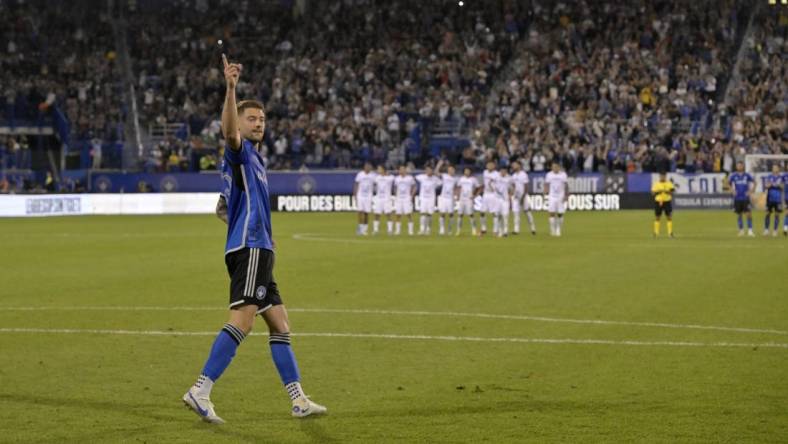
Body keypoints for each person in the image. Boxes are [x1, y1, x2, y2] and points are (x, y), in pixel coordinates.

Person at [183, 55, 326, 424]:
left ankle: (298, 400)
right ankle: (200, 389)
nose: (258, 123)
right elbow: (228, 132)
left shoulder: (256, 162)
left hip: (259, 248)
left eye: (261, 119)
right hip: (250, 250)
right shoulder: (240, 151)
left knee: (279, 323)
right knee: (243, 321)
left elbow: (223, 207)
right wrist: (231, 89)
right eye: (252, 119)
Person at [728, 161, 755, 237]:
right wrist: (732, 190)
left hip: (745, 198)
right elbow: (728, 183)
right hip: (737, 198)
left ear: (743, 167)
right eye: (738, 166)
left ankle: (750, 230)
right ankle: (741, 230)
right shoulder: (734, 175)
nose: (739, 167)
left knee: (748, 214)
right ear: (736, 167)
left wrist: (751, 191)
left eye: (740, 166)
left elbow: (755, 182)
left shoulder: (747, 175)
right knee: (739, 214)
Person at [510, 161, 536, 235]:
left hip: (523, 196)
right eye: (513, 165)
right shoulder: (513, 175)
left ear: (519, 165)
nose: (513, 166)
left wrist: (523, 196)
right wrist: (513, 193)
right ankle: (516, 230)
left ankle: (533, 228)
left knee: (527, 212)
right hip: (516, 197)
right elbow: (513, 186)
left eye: (515, 164)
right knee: (516, 213)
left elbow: (526, 186)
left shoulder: (523, 174)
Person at [544, 161, 569, 236]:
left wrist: (566, 195)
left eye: (556, 167)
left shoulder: (563, 175)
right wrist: (545, 193)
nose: (554, 168)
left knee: (560, 214)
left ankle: (558, 229)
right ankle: (552, 229)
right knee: (551, 213)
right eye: (553, 167)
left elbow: (566, 185)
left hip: (560, 196)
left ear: (559, 167)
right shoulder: (549, 175)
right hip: (552, 196)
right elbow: (546, 184)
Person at [415, 165, 441, 235]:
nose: (428, 171)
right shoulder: (421, 177)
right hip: (423, 198)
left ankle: (428, 229)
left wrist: (436, 174)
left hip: (431, 198)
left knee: (429, 214)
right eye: (427, 170)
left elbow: (441, 183)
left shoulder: (435, 179)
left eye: (430, 170)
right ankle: (422, 229)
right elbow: (415, 177)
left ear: (432, 171)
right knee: (422, 213)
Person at [456, 167, 480, 236]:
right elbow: (458, 187)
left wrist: (475, 195)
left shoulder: (473, 179)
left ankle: (474, 229)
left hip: (469, 199)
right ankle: (458, 230)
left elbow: (478, 188)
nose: (467, 172)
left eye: (468, 171)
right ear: (464, 172)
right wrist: (457, 195)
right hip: (462, 199)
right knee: (460, 215)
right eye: (466, 171)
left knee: (471, 214)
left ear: (470, 172)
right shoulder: (461, 179)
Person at [354, 162, 376, 235]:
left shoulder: (373, 175)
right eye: (366, 166)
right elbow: (356, 184)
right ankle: (360, 228)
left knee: (366, 213)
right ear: (364, 167)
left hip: (368, 196)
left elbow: (378, 182)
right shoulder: (360, 174)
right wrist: (355, 194)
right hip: (360, 195)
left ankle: (365, 229)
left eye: (369, 167)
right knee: (360, 212)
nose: (367, 168)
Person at [393, 165, 417, 235]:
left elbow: (414, 186)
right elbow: (395, 187)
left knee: (409, 214)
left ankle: (410, 231)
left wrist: (412, 195)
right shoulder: (397, 178)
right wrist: (396, 195)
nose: (402, 171)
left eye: (403, 169)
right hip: (399, 198)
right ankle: (397, 231)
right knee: (398, 214)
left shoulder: (410, 178)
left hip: (407, 198)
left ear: (405, 170)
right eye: (400, 170)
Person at [372, 165, 395, 235]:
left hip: (387, 199)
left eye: (379, 169)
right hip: (378, 198)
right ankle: (375, 230)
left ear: (383, 170)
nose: (378, 170)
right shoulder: (377, 178)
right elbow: (373, 183)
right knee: (377, 214)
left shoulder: (390, 178)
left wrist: (387, 174)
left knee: (388, 214)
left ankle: (390, 230)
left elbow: (393, 178)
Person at [479, 161, 501, 236]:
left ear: (494, 166)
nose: (489, 166)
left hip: (493, 195)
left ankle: (495, 230)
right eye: (488, 164)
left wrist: (494, 188)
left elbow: (498, 185)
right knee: (482, 212)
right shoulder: (485, 172)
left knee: (494, 213)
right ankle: (483, 229)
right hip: (485, 194)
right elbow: (484, 183)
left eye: (491, 165)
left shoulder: (497, 174)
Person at [651, 171, 675, 238]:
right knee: (657, 217)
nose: (662, 177)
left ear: (665, 176)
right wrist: (658, 192)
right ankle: (656, 233)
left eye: (664, 176)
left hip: (667, 201)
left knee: (669, 217)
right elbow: (652, 193)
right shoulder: (656, 184)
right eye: (661, 176)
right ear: (659, 176)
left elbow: (672, 192)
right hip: (658, 202)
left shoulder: (669, 183)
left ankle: (670, 233)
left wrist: (667, 192)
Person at [437, 164, 459, 235]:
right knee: (442, 213)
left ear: (454, 171)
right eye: (449, 170)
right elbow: (436, 172)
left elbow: (456, 188)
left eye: (452, 170)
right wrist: (439, 164)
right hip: (443, 197)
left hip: (451, 198)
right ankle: (442, 229)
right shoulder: (444, 176)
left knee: (451, 214)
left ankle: (450, 229)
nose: (451, 171)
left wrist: (457, 196)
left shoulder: (456, 179)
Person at [763, 164, 783, 237]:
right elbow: (766, 186)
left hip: (778, 199)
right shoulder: (769, 176)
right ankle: (766, 230)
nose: (774, 169)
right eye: (773, 168)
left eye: (776, 168)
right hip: (770, 198)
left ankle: (775, 230)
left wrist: (773, 184)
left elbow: (782, 186)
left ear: (778, 169)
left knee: (777, 214)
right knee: (767, 213)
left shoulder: (781, 177)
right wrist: (773, 185)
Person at [494, 166, 513, 237]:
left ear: (506, 171)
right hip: (497, 199)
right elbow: (491, 184)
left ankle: (505, 231)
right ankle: (500, 231)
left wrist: (510, 195)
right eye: (502, 171)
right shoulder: (496, 177)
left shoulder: (509, 178)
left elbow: (512, 187)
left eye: (504, 171)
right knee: (498, 215)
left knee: (505, 215)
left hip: (505, 200)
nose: (503, 172)